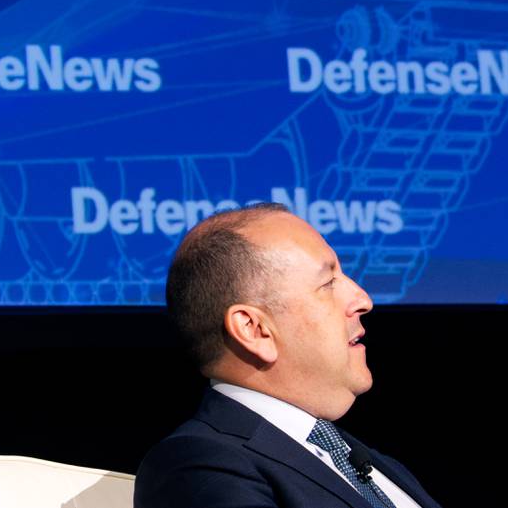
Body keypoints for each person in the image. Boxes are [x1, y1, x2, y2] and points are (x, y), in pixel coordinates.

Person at [133, 203, 442, 508]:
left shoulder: (369, 461)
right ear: (254, 330)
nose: (363, 299)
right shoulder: (197, 466)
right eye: (328, 283)